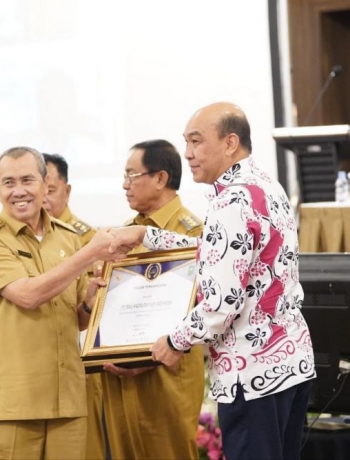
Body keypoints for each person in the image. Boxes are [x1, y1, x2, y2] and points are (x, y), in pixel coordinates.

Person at [109, 103, 316, 460]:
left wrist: (174, 341)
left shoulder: (231, 201)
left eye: (196, 141)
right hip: (290, 363)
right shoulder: (265, 184)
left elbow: (221, 304)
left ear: (230, 143)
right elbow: (218, 250)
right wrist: (150, 236)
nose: (187, 154)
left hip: (250, 374)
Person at [0, 146, 128, 459]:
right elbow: (29, 296)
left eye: (27, 180)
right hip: (13, 401)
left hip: (65, 396)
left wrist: (88, 305)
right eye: (8, 183)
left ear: (45, 185)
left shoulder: (67, 237)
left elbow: (78, 319)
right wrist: (90, 253)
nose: (19, 191)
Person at [100, 139, 205, 460]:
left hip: (167, 373)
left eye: (132, 176)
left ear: (160, 178)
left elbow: (206, 306)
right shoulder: (124, 233)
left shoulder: (195, 234)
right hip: (120, 372)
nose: (124, 185)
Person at [42, 152, 106, 459]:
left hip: (79, 365)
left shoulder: (90, 240)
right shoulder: (7, 240)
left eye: (50, 190)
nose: (41, 197)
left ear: (67, 191)